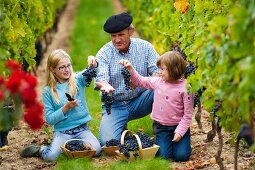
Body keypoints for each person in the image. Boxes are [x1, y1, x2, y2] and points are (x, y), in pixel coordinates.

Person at [20, 49, 101, 161]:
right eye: (62, 67)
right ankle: (42, 150)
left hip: (82, 130)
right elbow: (49, 119)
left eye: (68, 65)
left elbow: (92, 72)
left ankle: (71, 147)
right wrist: (65, 108)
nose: (67, 69)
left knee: (97, 150)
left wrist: (94, 63)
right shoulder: (48, 91)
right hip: (62, 132)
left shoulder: (77, 79)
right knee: (51, 157)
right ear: (52, 70)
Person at [92, 12, 160, 146]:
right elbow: (102, 79)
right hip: (115, 105)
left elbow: (160, 73)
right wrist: (105, 86)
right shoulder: (104, 53)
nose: (117, 40)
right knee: (108, 143)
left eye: (121, 34)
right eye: (113, 36)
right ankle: (121, 127)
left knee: (163, 87)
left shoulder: (145, 47)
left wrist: (142, 81)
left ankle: (162, 129)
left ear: (131, 31)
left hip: (141, 100)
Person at [119, 51, 193, 162]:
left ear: (174, 69)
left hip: (179, 127)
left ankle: (180, 142)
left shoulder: (186, 88)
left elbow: (188, 115)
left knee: (181, 156)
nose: (160, 72)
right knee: (164, 157)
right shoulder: (158, 82)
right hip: (161, 127)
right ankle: (162, 140)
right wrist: (131, 69)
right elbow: (140, 81)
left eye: (163, 69)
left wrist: (180, 132)